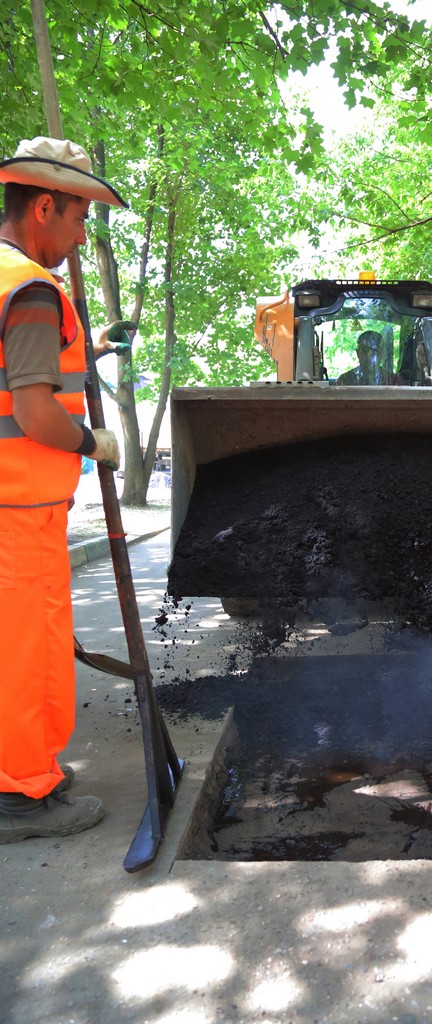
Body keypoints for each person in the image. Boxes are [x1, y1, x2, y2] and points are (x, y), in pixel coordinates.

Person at [0, 137, 126, 843]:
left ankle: (28, 767)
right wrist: (92, 443)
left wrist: (93, 346)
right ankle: (21, 795)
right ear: (43, 206)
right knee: (25, 656)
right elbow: (34, 411)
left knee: (22, 646)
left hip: (16, 505)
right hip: (16, 509)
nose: (80, 238)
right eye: (78, 220)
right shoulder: (30, 289)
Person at [336, 329, 401, 385]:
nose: (368, 355)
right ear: (358, 353)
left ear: (382, 353)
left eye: (374, 350)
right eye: (364, 350)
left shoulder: (393, 380)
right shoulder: (345, 380)